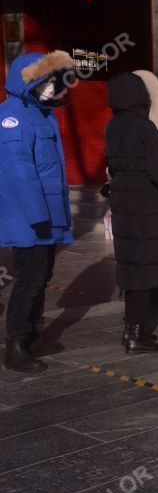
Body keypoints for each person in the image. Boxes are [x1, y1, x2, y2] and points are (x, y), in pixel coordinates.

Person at [0, 51, 76, 373]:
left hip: (46, 213)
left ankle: (31, 336)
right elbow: (19, 171)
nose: (55, 86)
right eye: (48, 79)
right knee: (29, 278)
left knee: (41, 276)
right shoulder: (12, 115)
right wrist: (38, 216)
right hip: (30, 216)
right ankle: (15, 344)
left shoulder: (41, 114)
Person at [105, 71, 158, 354]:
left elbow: (113, 165)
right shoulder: (144, 127)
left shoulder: (112, 126)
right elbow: (157, 171)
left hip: (124, 202)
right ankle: (135, 333)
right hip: (147, 204)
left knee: (132, 264)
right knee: (145, 268)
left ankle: (131, 328)